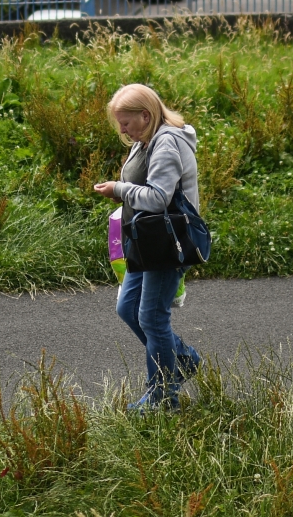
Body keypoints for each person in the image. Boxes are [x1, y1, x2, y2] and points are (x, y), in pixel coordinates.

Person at [92, 83, 202, 410]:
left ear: (146, 114)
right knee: (128, 308)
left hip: (167, 243)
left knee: (152, 318)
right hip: (145, 242)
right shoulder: (145, 140)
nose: (121, 129)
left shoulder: (166, 143)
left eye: (125, 122)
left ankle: (162, 398)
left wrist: (120, 189)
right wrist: (120, 192)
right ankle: (183, 359)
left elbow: (157, 198)